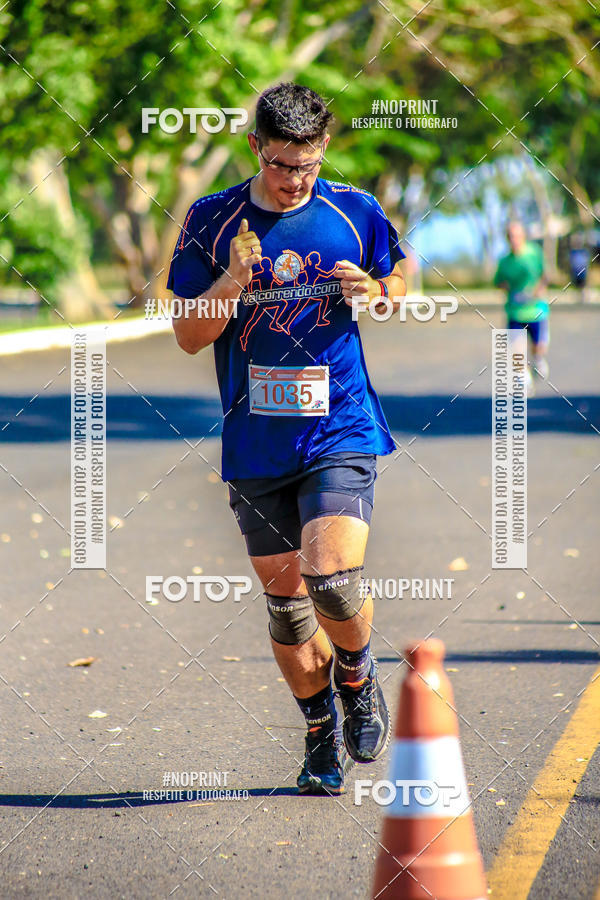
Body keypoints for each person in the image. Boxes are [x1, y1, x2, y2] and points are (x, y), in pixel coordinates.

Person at [168, 82, 406, 795]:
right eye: (279, 165)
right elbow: (187, 335)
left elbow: (398, 277)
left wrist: (378, 292)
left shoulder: (353, 210)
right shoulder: (213, 221)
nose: (293, 180)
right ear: (255, 148)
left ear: (322, 149)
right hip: (257, 442)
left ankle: (359, 679)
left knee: (330, 577)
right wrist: (233, 283)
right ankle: (317, 733)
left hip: (341, 425)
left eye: (305, 165)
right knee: (286, 602)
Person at [494, 221, 549, 394]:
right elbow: (498, 282)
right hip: (515, 312)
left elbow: (545, 275)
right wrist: (508, 288)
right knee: (517, 351)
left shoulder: (534, 253)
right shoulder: (504, 261)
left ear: (523, 236)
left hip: (536, 311)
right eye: (510, 237)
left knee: (538, 347)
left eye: (517, 236)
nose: (514, 240)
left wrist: (539, 289)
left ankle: (538, 359)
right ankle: (525, 382)